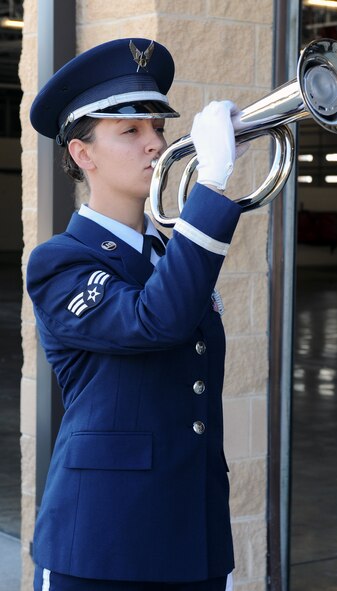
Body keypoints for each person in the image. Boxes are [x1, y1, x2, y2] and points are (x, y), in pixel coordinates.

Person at [28, 37, 243, 591]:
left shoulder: (177, 253)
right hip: (103, 541)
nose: (155, 144)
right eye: (130, 131)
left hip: (193, 534)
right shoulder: (58, 261)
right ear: (82, 153)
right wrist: (211, 187)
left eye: (157, 129)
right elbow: (154, 321)